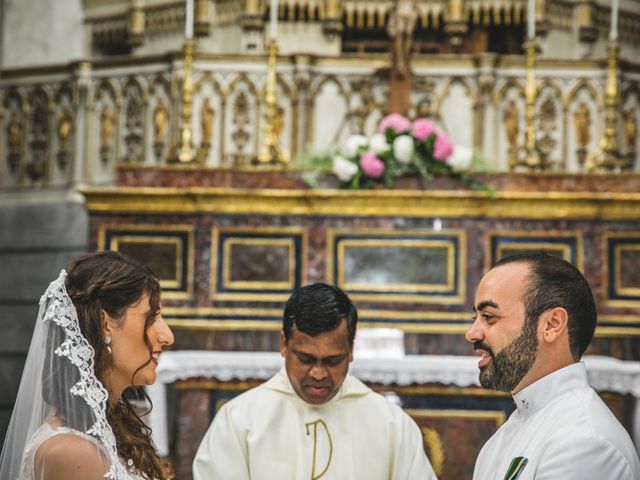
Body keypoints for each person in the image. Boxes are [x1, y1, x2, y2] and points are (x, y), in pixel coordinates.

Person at [193, 282, 437, 479]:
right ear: (284, 345)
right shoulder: (239, 421)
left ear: (351, 351)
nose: (318, 374)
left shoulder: (391, 425)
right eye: (306, 359)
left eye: (332, 361)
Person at [0, 250, 175, 480]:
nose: (167, 336)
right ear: (105, 323)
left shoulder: (110, 426)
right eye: (151, 317)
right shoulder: (72, 453)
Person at [466, 252, 640, 479]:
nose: (471, 333)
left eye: (489, 316)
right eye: (475, 319)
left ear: (552, 324)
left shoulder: (583, 441)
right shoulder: (516, 427)